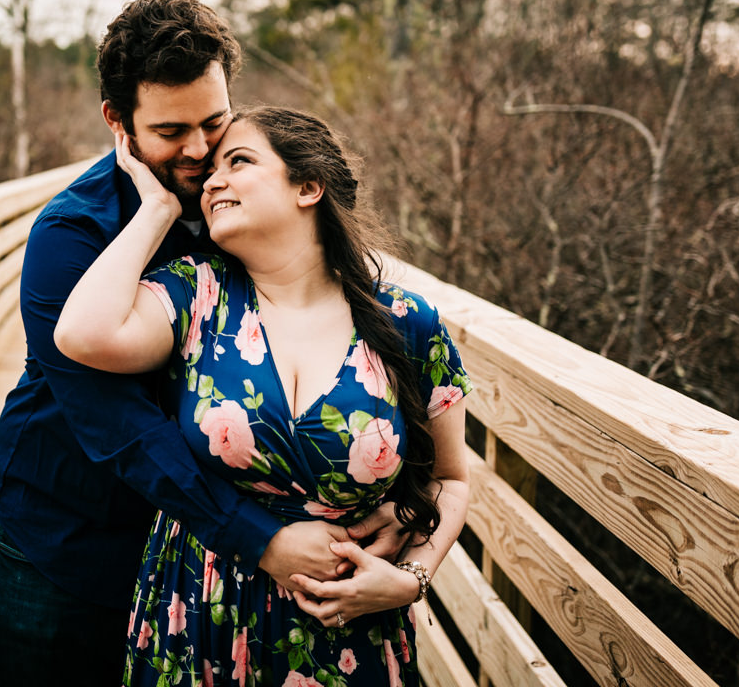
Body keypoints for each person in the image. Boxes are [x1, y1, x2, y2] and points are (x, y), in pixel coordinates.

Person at [0, 0, 405, 687]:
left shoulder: (241, 201)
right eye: (172, 131)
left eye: (215, 121)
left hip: (195, 552)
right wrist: (261, 538)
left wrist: (382, 497)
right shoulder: (70, 237)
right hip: (67, 536)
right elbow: (120, 428)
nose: (202, 150)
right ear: (118, 122)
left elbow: (337, 324)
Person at [56, 105, 473, 686]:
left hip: (346, 631)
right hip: (199, 616)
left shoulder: (407, 321)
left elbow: (450, 478)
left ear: (308, 186)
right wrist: (157, 210)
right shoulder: (196, 294)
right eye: (211, 174)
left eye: (239, 161)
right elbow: (81, 334)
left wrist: (411, 579)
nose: (213, 180)